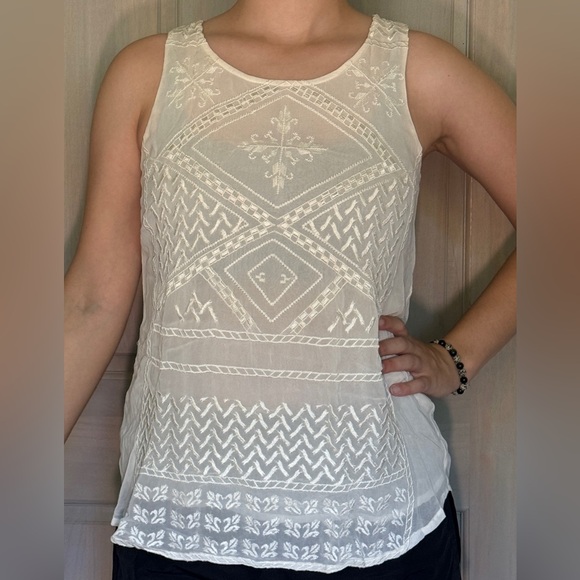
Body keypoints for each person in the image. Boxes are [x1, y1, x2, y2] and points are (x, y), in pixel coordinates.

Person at [65, 0, 516, 578]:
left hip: (377, 528)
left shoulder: (419, 71)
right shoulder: (148, 73)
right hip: (179, 523)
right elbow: (91, 301)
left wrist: (455, 358)